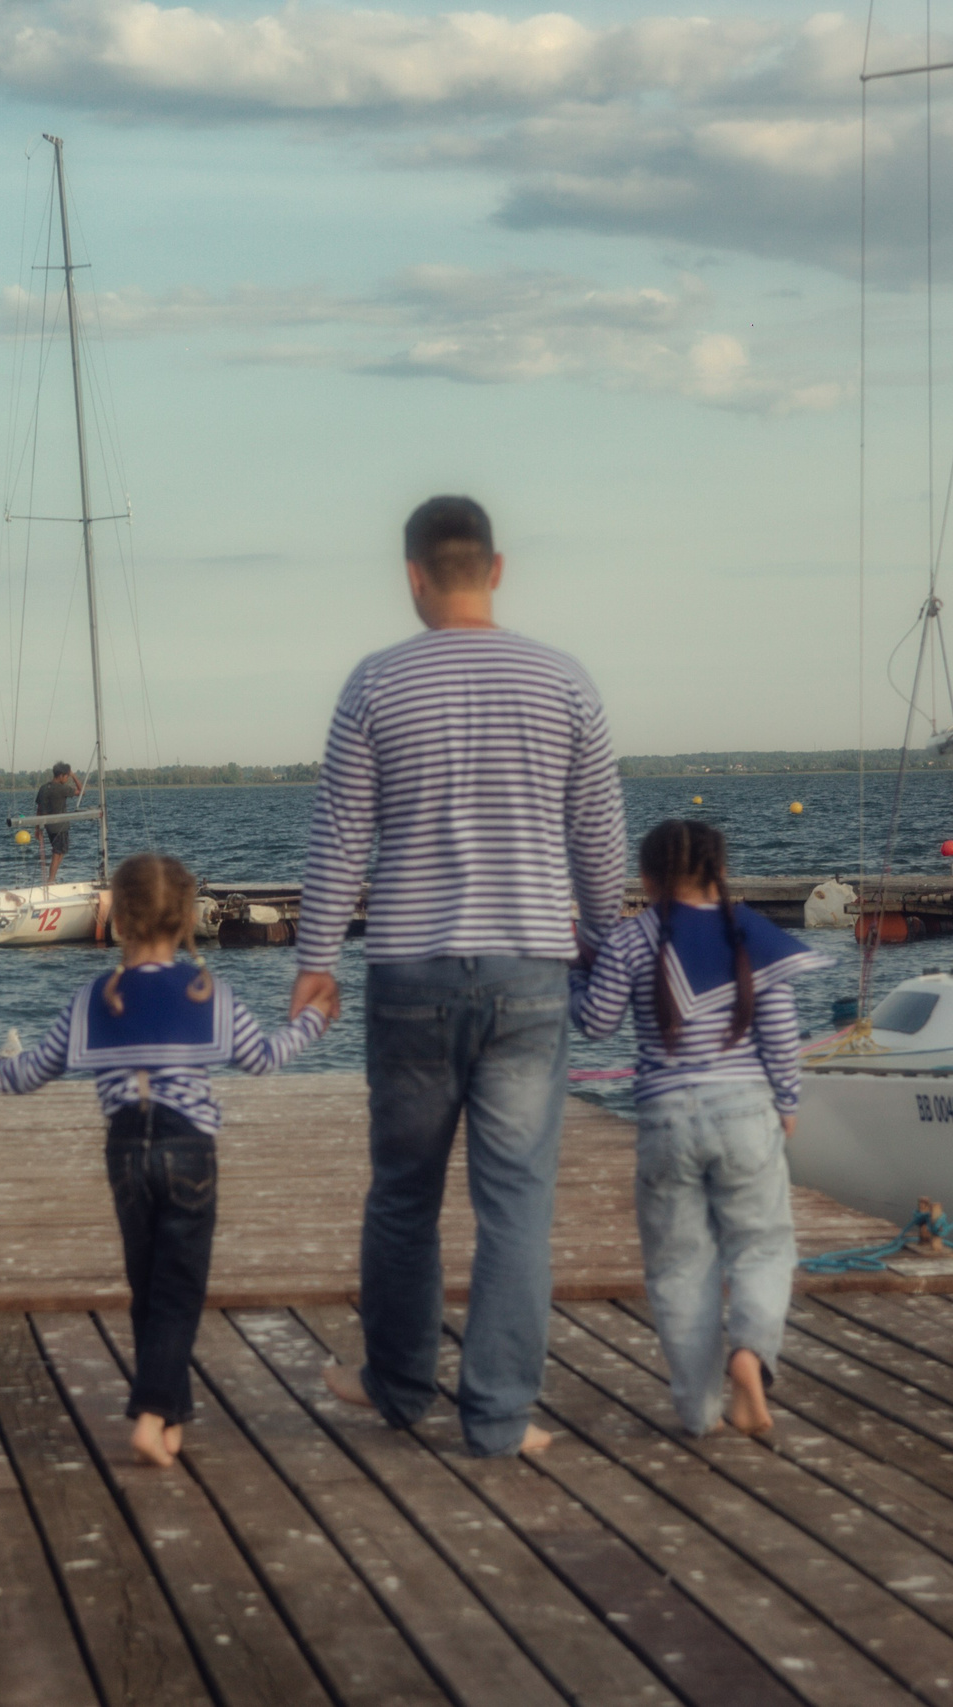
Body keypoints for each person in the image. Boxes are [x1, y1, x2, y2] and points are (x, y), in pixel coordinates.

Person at [297, 495, 627, 1458]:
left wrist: (317, 960)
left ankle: (399, 1386)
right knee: (515, 1200)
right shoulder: (565, 682)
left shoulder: (374, 686)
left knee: (404, 1190)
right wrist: (607, 938)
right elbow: (598, 838)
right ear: (498, 569)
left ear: (412, 575)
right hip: (529, 971)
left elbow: (338, 839)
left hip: (410, 972)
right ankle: (497, 1417)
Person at [0, 853, 326, 1467]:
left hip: (126, 1150)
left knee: (149, 1285)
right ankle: (152, 1413)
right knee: (180, 1287)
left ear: (116, 920)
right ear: (182, 923)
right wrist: (311, 1021)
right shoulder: (207, 990)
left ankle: (169, 1415)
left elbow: (29, 1072)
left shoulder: (97, 998)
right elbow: (264, 1058)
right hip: (189, 1149)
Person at [578, 819, 828, 1438]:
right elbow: (778, 1032)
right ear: (720, 870)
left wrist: (574, 970)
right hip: (745, 1113)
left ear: (645, 876)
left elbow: (595, 1022)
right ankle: (750, 1355)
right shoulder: (749, 933)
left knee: (679, 1268)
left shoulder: (631, 940)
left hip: (665, 1119)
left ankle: (697, 1410)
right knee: (763, 1247)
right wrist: (787, 1104)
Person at [35, 761, 86, 885]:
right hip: (60, 826)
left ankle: (51, 879)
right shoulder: (62, 788)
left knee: (59, 851)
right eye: (67, 776)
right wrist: (74, 776)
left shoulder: (43, 788)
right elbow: (82, 791)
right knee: (58, 853)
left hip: (48, 825)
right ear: (62, 775)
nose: (67, 779)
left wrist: (38, 828)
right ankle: (51, 880)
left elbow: (39, 809)